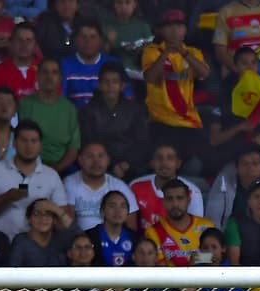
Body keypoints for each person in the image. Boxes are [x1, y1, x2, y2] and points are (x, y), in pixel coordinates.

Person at [142, 10, 209, 165]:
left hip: (188, 121)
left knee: (195, 164)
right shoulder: (152, 51)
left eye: (179, 26)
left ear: (185, 30)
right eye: (169, 26)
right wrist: (165, 53)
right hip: (160, 120)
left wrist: (183, 53)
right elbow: (150, 78)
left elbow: (204, 73)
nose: (174, 30)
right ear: (162, 30)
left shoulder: (194, 52)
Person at [79, 61, 149, 180]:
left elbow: (142, 143)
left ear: (122, 85)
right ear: (99, 85)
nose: (110, 86)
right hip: (100, 164)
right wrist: (112, 164)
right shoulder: (89, 111)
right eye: (106, 82)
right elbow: (88, 143)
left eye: (115, 81)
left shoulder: (135, 110)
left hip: (130, 165)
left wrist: (126, 163)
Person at [147, 179, 212, 266]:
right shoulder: (154, 231)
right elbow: (160, 270)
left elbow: (215, 258)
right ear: (163, 202)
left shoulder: (207, 226)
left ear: (188, 200)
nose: (175, 204)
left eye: (180, 198)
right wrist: (191, 264)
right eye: (170, 199)